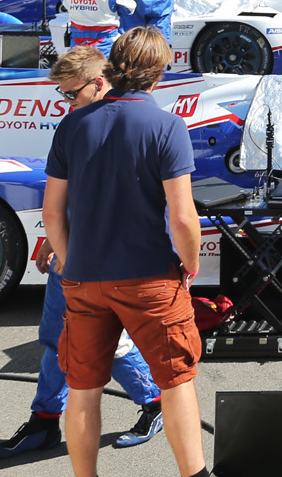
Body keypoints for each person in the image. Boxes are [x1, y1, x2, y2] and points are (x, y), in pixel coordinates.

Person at [41, 28, 205, 477]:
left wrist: (70, 262)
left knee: (83, 387)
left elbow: (52, 213)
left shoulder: (73, 124)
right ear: (159, 72)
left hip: (85, 277)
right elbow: (183, 218)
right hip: (149, 275)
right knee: (175, 381)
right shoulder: (167, 126)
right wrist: (190, 264)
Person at [0, 48, 165, 458]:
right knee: (56, 337)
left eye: (70, 93)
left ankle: (155, 401)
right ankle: (45, 421)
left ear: (98, 82)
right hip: (76, 252)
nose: (64, 102)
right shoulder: (76, 124)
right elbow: (71, 194)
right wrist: (56, 237)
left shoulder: (132, 123)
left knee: (104, 342)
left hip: (108, 260)